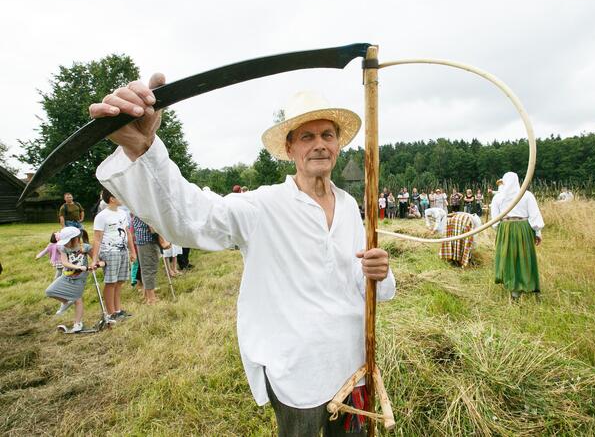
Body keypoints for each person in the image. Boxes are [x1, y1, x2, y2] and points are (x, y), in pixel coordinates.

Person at [91, 83, 395, 436]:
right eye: (307, 136)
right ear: (289, 147)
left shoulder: (348, 207)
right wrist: (144, 149)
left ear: (338, 145)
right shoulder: (263, 205)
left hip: (352, 359)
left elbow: (365, 283)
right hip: (297, 367)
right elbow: (194, 218)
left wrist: (379, 272)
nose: (319, 144)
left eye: (327, 134)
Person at [490, 172, 544, 299]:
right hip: (523, 227)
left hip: (506, 227)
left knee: (509, 256)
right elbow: (534, 216)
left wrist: (502, 230)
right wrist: (537, 232)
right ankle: (521, 285)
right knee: (523, 257)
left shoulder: (499, 197)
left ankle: (514, 288)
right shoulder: (526, 195)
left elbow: (495, 221)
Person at [91, 187, 136, 322]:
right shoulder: (101, 216)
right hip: (109, 252)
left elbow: (127, 233)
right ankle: (110, 313)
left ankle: (118, 310)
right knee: (110, 282)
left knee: (120, 281)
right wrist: (94, 259)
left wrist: (132, 251)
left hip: (123, 251)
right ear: (111, 198)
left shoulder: (122, 213)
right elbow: (97, 238)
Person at [45, 227, 94, 333]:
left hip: (79, 279)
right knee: (49, 291)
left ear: (75, 239)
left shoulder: (85, 247)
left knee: (77, 300)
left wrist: (95, 265)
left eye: (67, 241)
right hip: (66, 276)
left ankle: (78, 323)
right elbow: (65, 262)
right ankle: (66, 301)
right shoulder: (63, 248)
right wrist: (78, 267)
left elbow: (95, 259)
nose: (65, 243)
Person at [132, 215, 160, 305]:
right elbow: (152, 226)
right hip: (148, 241)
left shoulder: (138, 207)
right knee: (149, 269)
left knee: (147, 269)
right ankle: (151, 299)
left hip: (144, 241)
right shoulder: (144, 208)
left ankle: (148, 295)